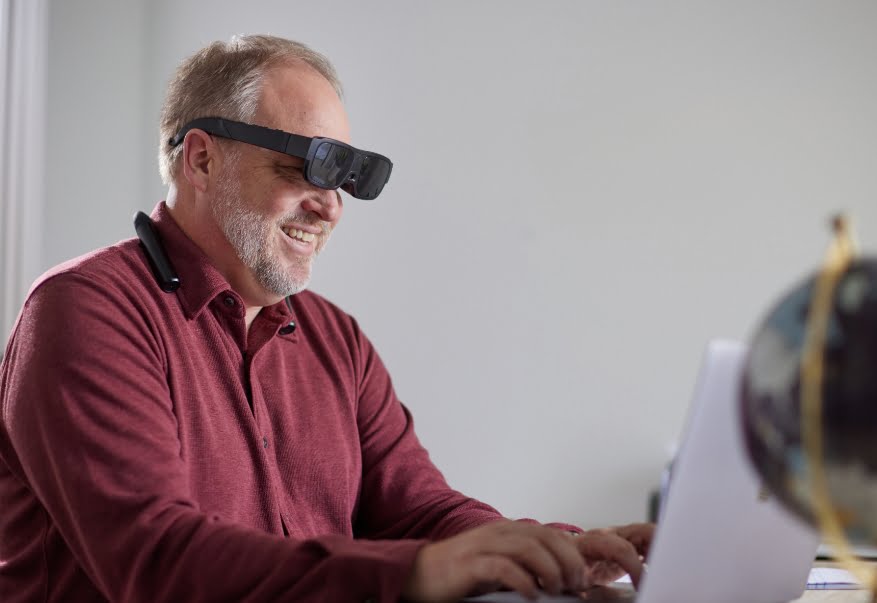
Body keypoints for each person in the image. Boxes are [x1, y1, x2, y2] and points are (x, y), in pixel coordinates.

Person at [0, 35, 653, 602]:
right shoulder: (86, 311)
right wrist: (418, 569)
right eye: (306, 166)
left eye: (345, 179)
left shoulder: (334, 339)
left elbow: (419, 509)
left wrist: (554, 550)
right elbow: (156, 562)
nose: (331, 207)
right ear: (201, 159)